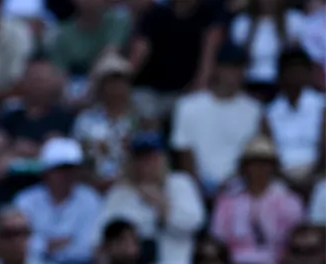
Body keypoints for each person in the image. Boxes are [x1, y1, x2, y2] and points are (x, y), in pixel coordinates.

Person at [97, 133, 207, 264]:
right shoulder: (120, 192)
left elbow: (195, 222)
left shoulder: (180, 183)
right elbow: (101, 233)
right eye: (140, 159)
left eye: (151, 158)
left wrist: (162, 206)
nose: (145, 164)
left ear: (162, 159)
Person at [171, 45, 264, 196]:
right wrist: (200, 189)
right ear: (217, 68)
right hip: (197, 187)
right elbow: (184, 156)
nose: (235, 74)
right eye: (229, 68)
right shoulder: (188, 106)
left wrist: (231, 184)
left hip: (241, 188)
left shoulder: (254, 110)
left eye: (239, 68)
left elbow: (253, 156)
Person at [210, 135, 305, 264]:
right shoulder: (227, 200)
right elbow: (218, 240)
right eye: (254, 163)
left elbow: (297, 241)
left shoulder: (290, 201)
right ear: (244, 167)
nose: (259, 169)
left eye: (265, 163)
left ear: (273, 167)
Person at [13, 137, 104, 264]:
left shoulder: (90, 199)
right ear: (46, 172)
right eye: (60, 169)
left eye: (71, 169)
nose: (67, 175)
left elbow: (87, 248)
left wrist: (45, 246)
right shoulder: (26, 200)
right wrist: (47, 245)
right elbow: (19, 242)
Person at [128, 0, 226, 121]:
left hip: (183, 91)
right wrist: (124, 82)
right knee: (145, 112)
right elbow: (139, 51)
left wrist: (198, 89)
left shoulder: (209, 16)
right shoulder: (155, 13)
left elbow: (208, 59)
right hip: (148, 88)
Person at [72, 53, 141, 190]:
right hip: (93, 188)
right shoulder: (84, 121)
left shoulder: (141, 121)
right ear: (101, 86)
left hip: (132, 187)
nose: (117, 88)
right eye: (111, 82)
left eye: (121, 81)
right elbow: (77, 160)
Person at [263, 47, 326, 188]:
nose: (295, 75)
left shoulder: (321, 106)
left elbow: (324, 150)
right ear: (280, 75)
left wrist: (313, 178)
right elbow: (270, 153)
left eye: (299, 70)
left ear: (308, 73)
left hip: (318, 175)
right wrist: (288, 182)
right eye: (290, 70)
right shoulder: (270, 112)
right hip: (282, 178)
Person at [230, 0, 305, 100]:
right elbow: (236, 62)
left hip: (283, 86)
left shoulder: (294, 20)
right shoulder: (242, 23)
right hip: (251, 84)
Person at [47, 0, 132, 82]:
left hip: (106, 80)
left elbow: (111, 51)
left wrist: (90, 84)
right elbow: (60, 70)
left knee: (111, 64)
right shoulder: (61, 32)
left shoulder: (118, 20)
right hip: (73, 84)